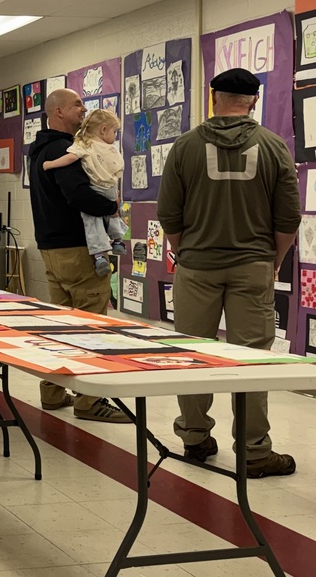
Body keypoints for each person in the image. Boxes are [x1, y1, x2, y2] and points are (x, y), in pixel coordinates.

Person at [158, 67, 300, 478]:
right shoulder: (274, 146)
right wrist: (271, 261)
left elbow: (169, 212)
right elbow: (288, 217)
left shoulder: (184, 146)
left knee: (191, 355)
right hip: (252, 265)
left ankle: (194, 437)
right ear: (253, 100)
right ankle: (255, 451)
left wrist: (187, 252)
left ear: (214, 96)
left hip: (197, 267)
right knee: (251, 360)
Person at [28, 89, 130, 423]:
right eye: (76, 106)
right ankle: (89, 401)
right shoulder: (63, 148)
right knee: (90, 324)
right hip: (79, 248)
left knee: (61, 325)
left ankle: (52, 391)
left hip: (51, 247)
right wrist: (111, 206)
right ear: (58, 112)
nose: (83, 111)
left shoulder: (39, 148)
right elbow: (77, 194)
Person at [42, 109, 127, 277]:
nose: (115, 136)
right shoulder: (107, 147)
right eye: (114, 132)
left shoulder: (84, 144)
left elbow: (70, 158)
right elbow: (70, 159)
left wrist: (50, 164)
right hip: (110, 186)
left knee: (92, 222)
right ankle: (118, 241)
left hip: (96, 187)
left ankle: (98, 256)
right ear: (103, 130)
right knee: (114, 213)